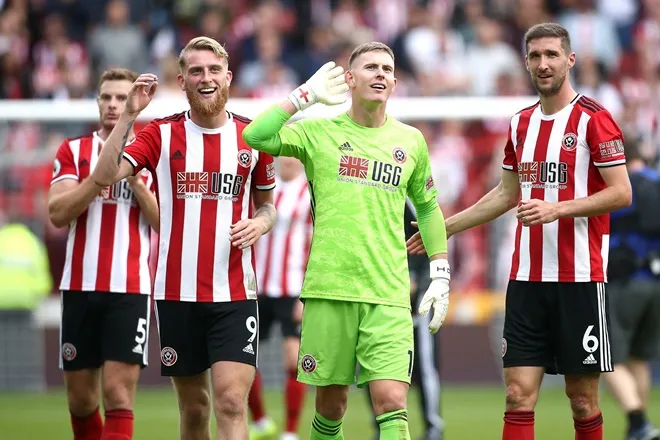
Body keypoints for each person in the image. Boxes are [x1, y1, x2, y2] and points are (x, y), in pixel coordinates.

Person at [407, 22, 633, 440]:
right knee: (516, 395)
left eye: (551, 55)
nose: (543, 64)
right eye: (535, 56)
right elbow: (505, 194)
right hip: (526, 281)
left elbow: (622, 192)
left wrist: (556, 209)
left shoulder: (594, 121)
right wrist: (445, 227)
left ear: (570, 59)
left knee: (582, 400)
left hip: (579, 280)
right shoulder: (520, 124)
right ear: (526, 63)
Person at [243, 41, 452, 440]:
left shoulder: (410, 141)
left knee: (392, 401)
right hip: (329, 291)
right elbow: (256, 135)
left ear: (394, 81)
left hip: (388, 293)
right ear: (350, 80)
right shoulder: (317, 132)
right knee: (331, 406)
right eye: (370, 67)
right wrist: (302, 97)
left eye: (387, 68)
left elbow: (427, 208)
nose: (381, 74)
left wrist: (440, 270)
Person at [89, 36, 277, 440]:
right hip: (176, 294)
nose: (205, 78)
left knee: (230, 402)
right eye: (196, 71)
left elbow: (267, 205)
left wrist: (260, 223)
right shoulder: (160, 133)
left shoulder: (253, 137)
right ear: (183, 80)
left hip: (234, 293)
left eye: (213, 70)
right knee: (194, 409)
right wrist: (128, 116)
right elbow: (103, 177)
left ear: (228, 77)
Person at [47, 67, 159, 440]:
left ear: (136, 103)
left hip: (129, 289)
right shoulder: (73, 150)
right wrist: (98, 179)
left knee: (117, 393)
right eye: (107, 97)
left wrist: (135, 182)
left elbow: (164, 223)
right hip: (79, 286)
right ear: (97, 101)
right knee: (80, 401)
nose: (114, 105)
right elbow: (58, 213)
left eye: (122, 98)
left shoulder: (151, 152)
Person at [367, 198, 445, 440]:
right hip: (379, 295)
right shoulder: (369, 198)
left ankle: (433, 427)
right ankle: (381, 427)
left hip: (415, 301)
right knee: (373, 367)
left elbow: (427, 229)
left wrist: (417, 276)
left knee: (424, 368)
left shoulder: (406, 197)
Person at [601, 134, 660, 440]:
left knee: (605, 356)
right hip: (657, 283)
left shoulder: (620, 186)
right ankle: (642, 428)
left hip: (625, 282)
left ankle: (638, 422)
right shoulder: (657, 182)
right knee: (639, 358)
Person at [248, 156, 311, 440]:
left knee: (293, 358)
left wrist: (307, 295)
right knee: (243, 358)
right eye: (283, 154)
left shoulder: (310, 194)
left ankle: (290, 431)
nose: (287, 160)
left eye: (293, 155)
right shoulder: (263, 188)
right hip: (258, 288)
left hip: (292, 289)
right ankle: (260, 420)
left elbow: (318, 244)